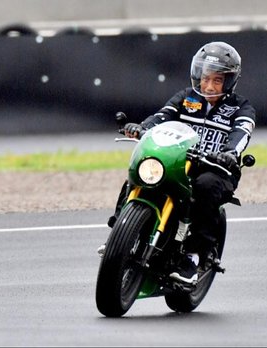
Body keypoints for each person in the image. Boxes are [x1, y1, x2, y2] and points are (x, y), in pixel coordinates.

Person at [105, 41, 256, 285]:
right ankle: (119, 233)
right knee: (146, 168)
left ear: (229, 82)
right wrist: (142, 128)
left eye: (217, 80)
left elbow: (242, 133)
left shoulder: (241, 107)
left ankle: (194, 258)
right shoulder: (186, 98)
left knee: (206, 187)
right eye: (206, 78)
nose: (209, 85)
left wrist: (229, 153)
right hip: (179, 159)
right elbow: (163, 116)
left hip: (216, 168)